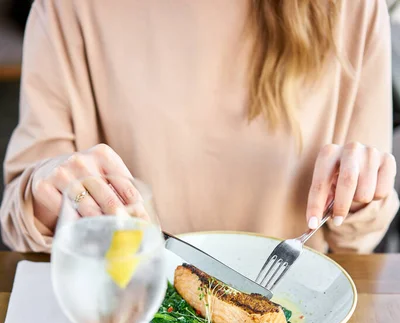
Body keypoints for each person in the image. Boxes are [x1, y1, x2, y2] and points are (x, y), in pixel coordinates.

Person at [0, 0, 398, 254]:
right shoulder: (66, 8)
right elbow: (20, 220)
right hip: (125, 309)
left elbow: (359, 239)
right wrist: (48, 190)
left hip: (296, 320)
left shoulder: (355, 9)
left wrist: (359, 193)